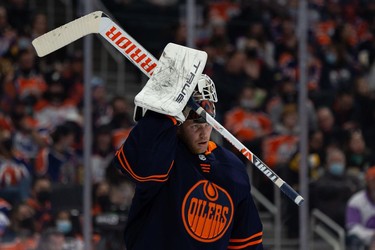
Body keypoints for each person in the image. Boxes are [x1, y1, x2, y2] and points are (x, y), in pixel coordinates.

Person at [111, 74, 263, 249]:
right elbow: (139, 166)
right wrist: (163, 110)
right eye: (195, 126)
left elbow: (246, 241)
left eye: (207, 124)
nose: (203, 133)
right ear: (178, 124)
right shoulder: (165, 154)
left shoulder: (232, 166)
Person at [346, 166, 375, 249]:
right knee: (354, 240)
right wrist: (372, 235)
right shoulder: (356, 201)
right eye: (374, 181)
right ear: (368, 182)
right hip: (363, 239)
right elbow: (353, 228)